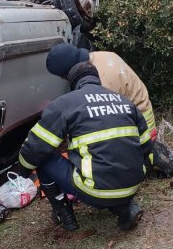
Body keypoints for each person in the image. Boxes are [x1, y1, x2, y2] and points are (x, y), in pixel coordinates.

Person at [18, 61, 152, 231]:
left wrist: (23, 170)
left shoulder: (65, 103)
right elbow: (146, 146)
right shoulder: (124, 101)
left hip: (97, 190)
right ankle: (123, 207)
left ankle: (64, 214)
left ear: (73, 83)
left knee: (43, 158)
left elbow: (34, 148)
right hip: (133, 184)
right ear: (97, 79)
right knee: (110, 168)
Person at [46, 43, 173, 177]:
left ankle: (150, 155)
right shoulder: (103, 56)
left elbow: (101, 120)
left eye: (63, 76)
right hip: (141, 115)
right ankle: (147, 153)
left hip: (137, 126)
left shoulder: (100, 81)